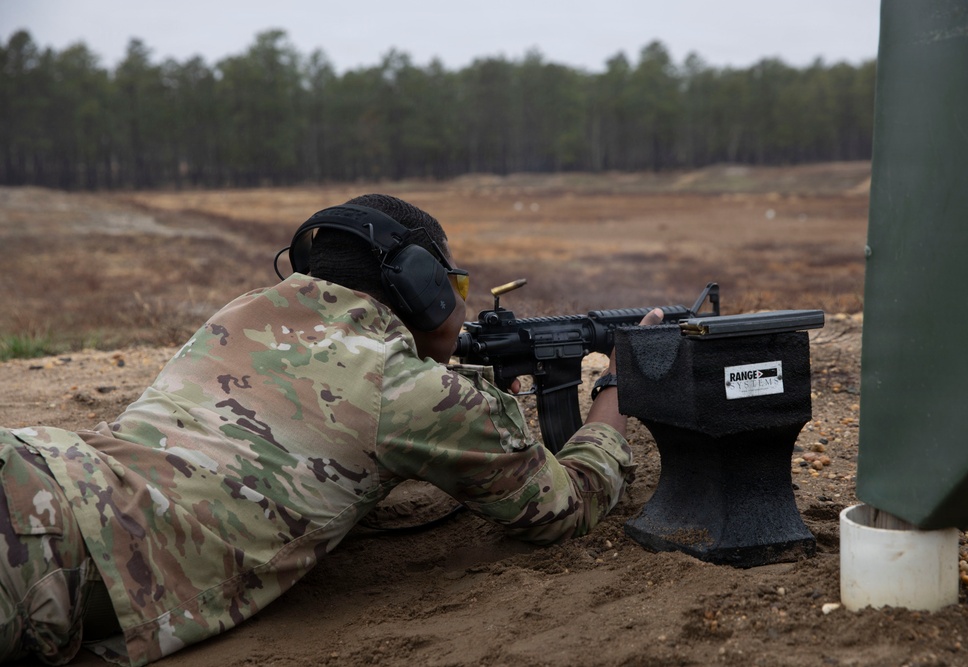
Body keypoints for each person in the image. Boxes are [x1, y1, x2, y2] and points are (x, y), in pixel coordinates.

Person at [0, 194, 662, 666]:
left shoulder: (242, 315)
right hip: (47, 541)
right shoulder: (407, 393)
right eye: (453, 282)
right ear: (425, 286)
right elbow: (565, 505)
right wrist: (616, 391)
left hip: (34, 469)